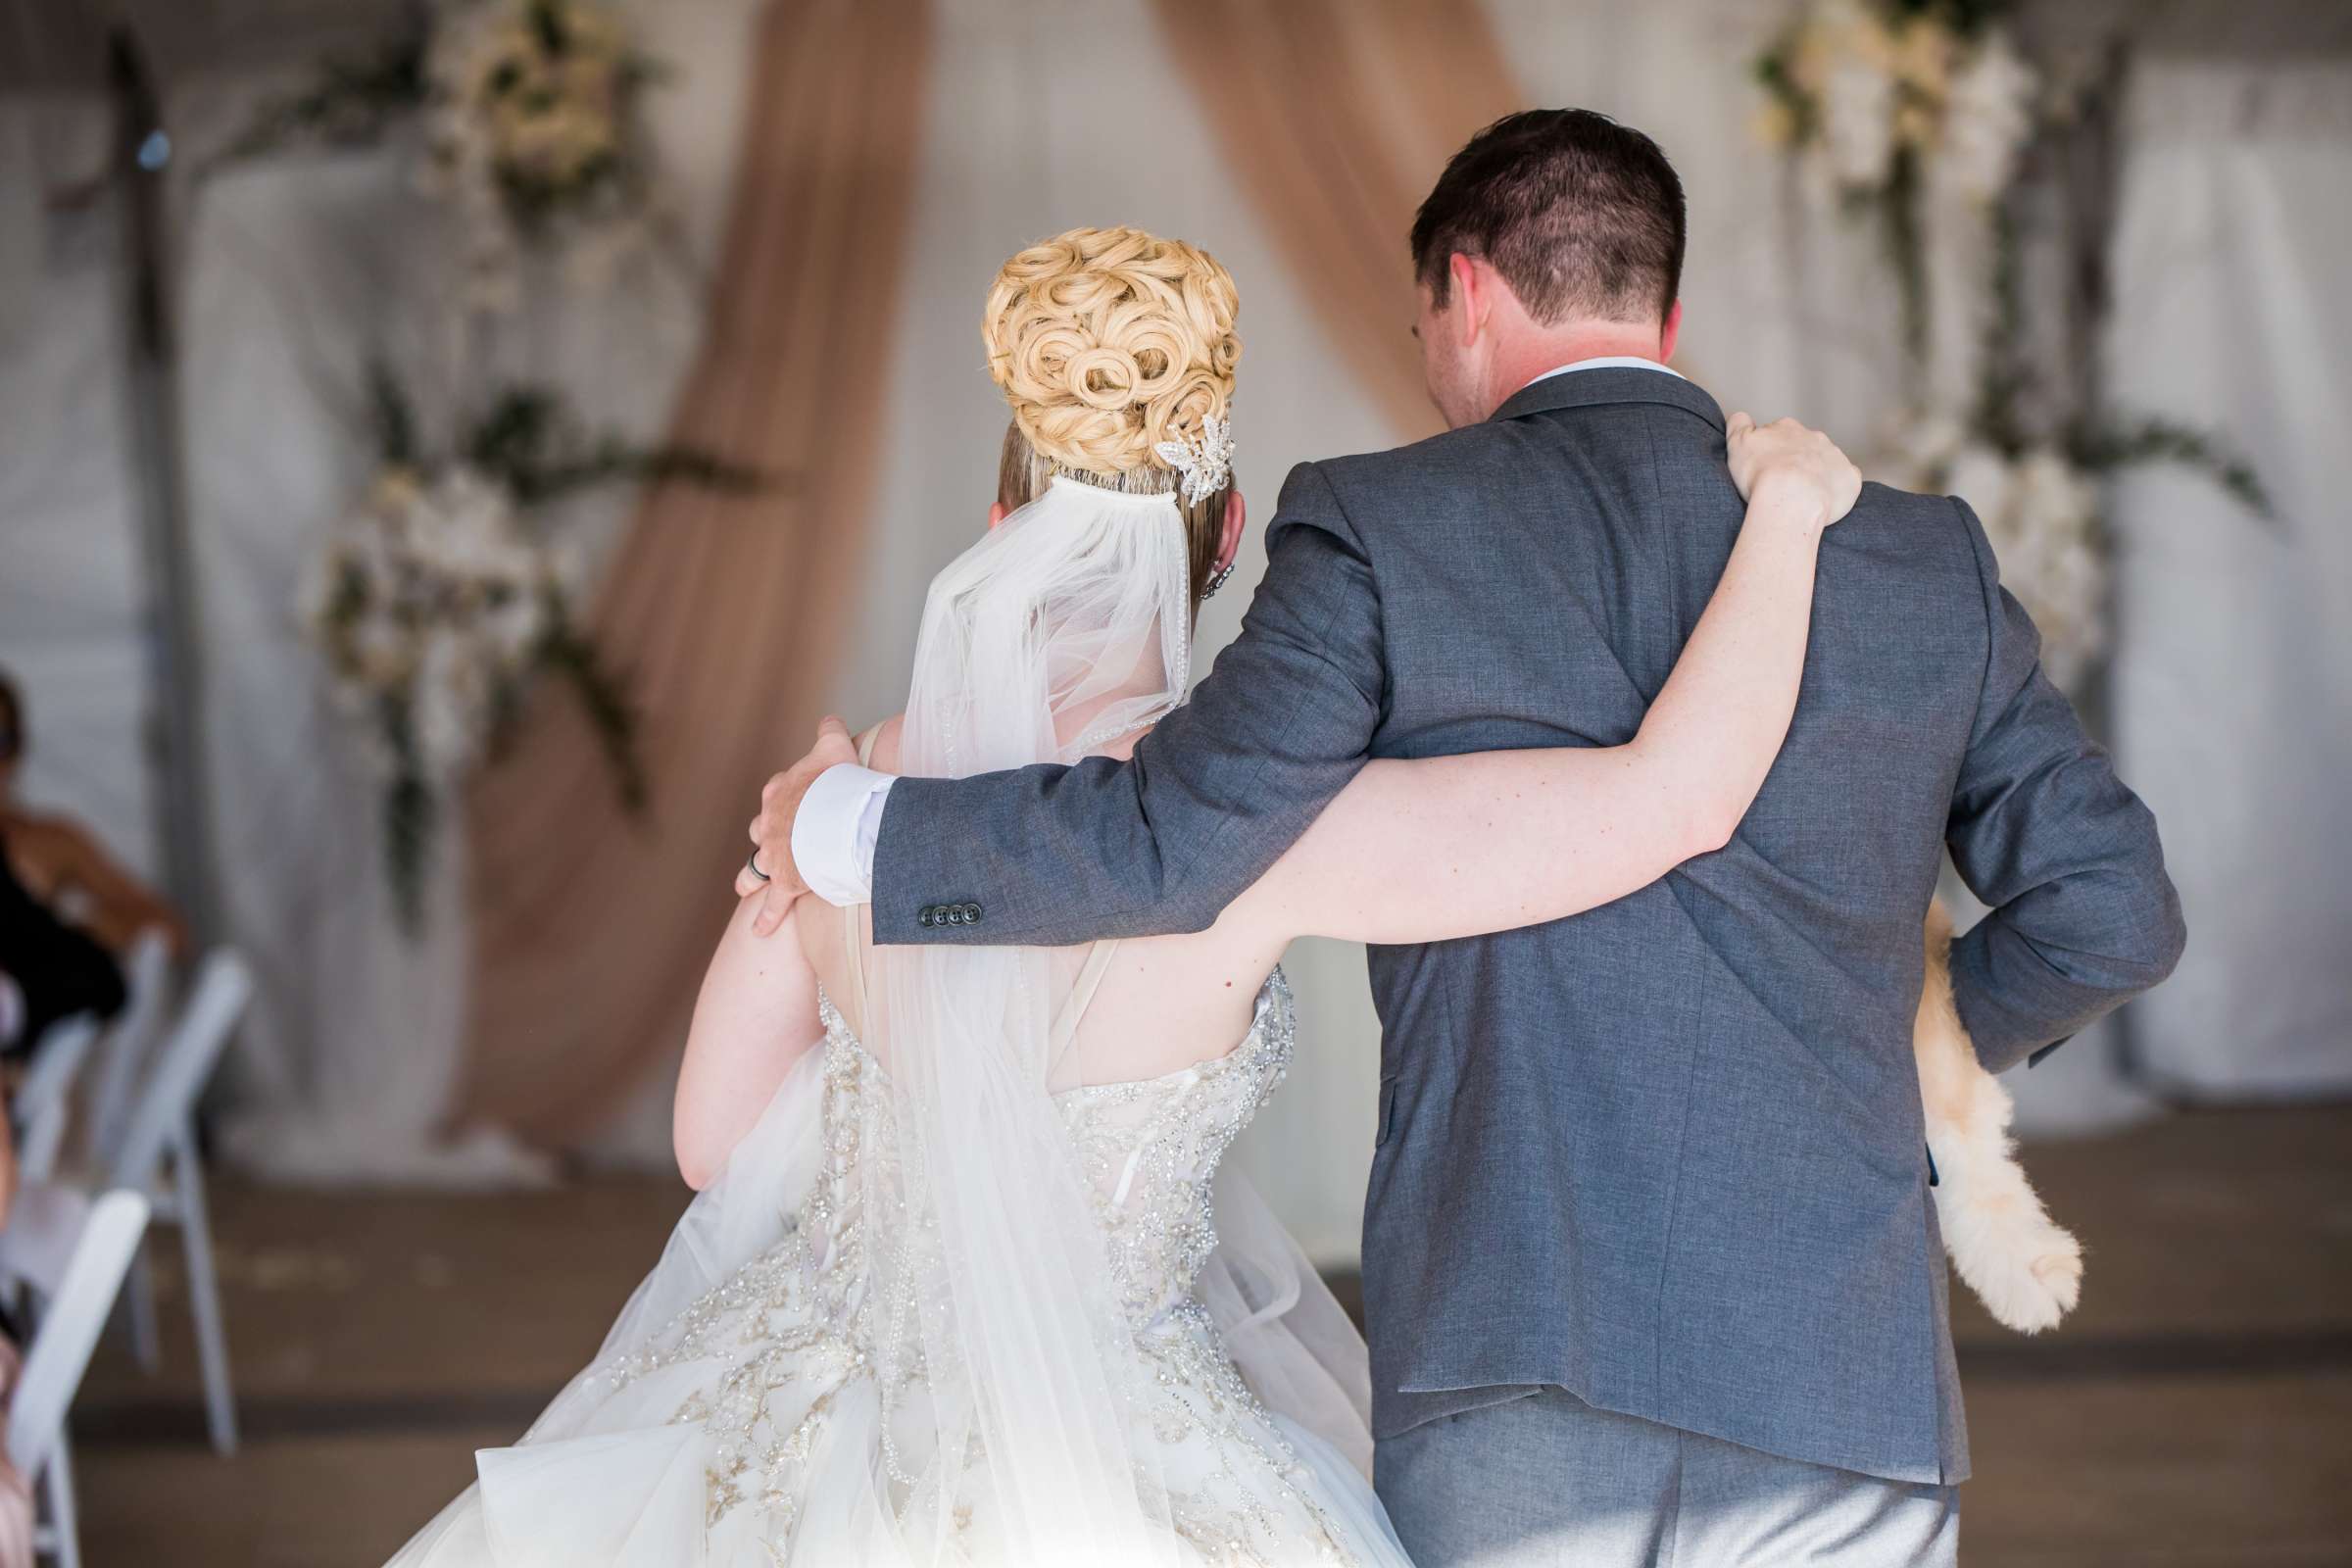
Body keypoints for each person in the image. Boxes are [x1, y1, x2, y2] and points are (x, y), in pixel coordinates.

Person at [754, 116, 2185, 1567]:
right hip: (1838, 1374)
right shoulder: (1913, 556)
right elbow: (2113, 913)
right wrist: (1899, 1058)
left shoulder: (1379, 528)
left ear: (1468, 292)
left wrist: (852, 827)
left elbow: (1179, 840)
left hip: (1516, 1366)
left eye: (1422, 322)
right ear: (1667, 314)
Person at [384, 222, 1867, 1566]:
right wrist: (1789, 516)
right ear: (1225, 541)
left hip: (800, 1418)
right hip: (1125, 1463)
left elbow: (716, 1145)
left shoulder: (850, 798)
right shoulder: (1269, 827)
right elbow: (1673, 801)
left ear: (1002, 514)